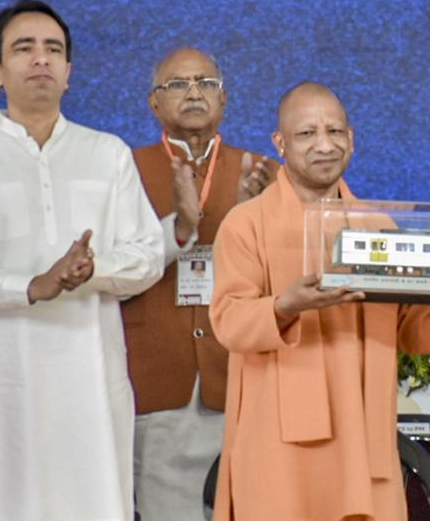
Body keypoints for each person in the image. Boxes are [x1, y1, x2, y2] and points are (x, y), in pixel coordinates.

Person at [208, 82, 430, 520]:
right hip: (279, 447)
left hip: (362, 436)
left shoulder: (377, 226)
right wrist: (285, 306)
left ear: (352, 138)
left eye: (334, 131)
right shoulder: (246, 224)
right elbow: (229, 321)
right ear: (280, 143)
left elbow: (410, 325)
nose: (324, 144)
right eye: (306, 134)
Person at [0, 0, 164, 520]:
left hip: (88, 385)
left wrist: (94, 270)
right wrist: (31, 285)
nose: (40, 59)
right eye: (23, 48)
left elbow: (146, 257)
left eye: (53, 49)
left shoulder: (107, 154)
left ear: (69, 72)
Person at [122, 47, 277, 520]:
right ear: (153, 102)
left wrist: (255, 221)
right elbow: (109, 267)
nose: (193, 92)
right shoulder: (123, 170)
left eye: (205, 83)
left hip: (241, 377)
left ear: (224, 98)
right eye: (178, 84)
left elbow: (286, 276)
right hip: (157, 376)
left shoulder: (264, 172)